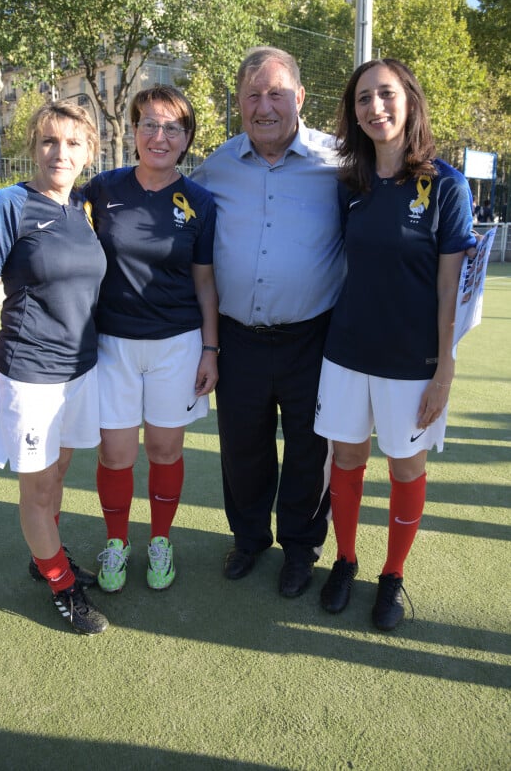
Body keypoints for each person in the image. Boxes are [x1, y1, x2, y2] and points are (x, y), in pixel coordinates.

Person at [314, 58, 476, 630]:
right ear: (352, 113)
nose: (374, 107)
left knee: (405, 467)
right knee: (348, 458)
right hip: (346, 352)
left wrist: (444, 371)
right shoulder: (349, 185)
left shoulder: (445, 186)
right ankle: (346, 559)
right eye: (362, 99)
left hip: (413, 362)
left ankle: (392, 574)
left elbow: (450, 290)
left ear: (409, 100)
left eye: (385, 95)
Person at [191, 47, 345, 598]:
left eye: (276, 93)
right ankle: (250, 539)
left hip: (313, 337)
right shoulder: (218, 165)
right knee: (243, 448)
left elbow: (400, 181)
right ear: (238, 103)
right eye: (253, 95)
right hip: (238, 340)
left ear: (300, 97)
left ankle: (301, 549)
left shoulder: (340, 159)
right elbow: (168, 199)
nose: (264, 106)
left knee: (310, 449)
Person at [0, 100, 109, 635]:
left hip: (80, 370)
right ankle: (61, 586)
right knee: (38, 488)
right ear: (33, 148)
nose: (60, 153)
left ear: (89, 151)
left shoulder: (82, 210)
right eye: (49, 141)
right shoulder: (9, 203)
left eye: (73, 143)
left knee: (58, 473)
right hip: (28, 372)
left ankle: (45, 555)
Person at [84, 85, 218, 594]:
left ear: (186, 139)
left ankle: (160, 539)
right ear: (134, 130)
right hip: (111, 345)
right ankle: (116, 542)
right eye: (149, 124)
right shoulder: (102, 188)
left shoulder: (200, 201)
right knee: (115, 454)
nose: (159, 136)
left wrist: (211, 349)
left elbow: (205, 281)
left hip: (178, 345)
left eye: (172, 127)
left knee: (164, 450)